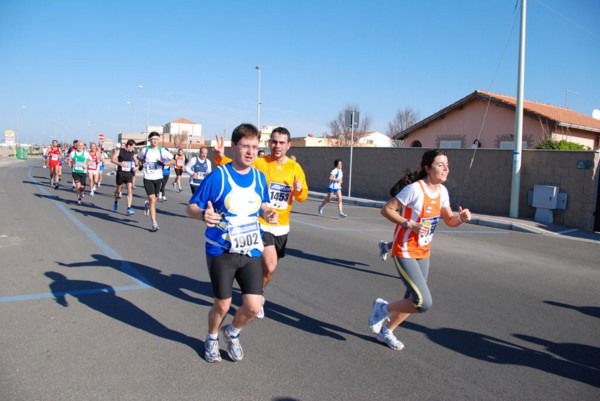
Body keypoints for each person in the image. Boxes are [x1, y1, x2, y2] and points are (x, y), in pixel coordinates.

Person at [187, 123, 277, 363]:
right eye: (245, 146)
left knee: (253, 306)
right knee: (223, 305)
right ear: (234, 147)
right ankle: (212, 336)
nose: (250, 152)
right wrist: (202, 215)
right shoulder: (219, 176)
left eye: (255, 147)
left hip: (250, 250)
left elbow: (262, 204)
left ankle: (232, 332)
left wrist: (267, 213)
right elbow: (192, 206)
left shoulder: (259, 177)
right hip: (221, 250)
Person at [368, 149, 472, 350]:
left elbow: (450, 219)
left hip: (423, 252)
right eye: (440, 164)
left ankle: (386, 331)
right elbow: (386, 209)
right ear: (427, 168)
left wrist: (461, 218)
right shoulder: (415, 189)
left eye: (447, 165)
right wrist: (410, 224)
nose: (445, 168)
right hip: (404, 250)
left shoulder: (442, 192)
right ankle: (382, 308)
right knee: (423, 302)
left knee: (411, 299)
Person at [213, 127, 308, 319]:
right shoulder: (260, 162)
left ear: (288, 145)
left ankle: (257, 292)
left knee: (270, 269)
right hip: (261, 223)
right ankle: (255, 296)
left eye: (281, 142)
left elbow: (303, 195)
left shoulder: (294, 168)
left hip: (282, 226)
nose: (277, 146)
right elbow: (237, 165)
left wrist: (298, 190)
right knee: (270, 264)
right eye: (274, 141)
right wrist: (219, 158)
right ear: (269, 143)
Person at [138, 132, 175, 231]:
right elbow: (140, 159)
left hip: (158, 178)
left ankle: (147, 205)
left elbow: (173, 160)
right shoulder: (145, 150)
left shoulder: (161, 150)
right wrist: (140, 165)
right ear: (150, 140)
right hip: (148, 178)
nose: (155, 141)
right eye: (153, 139)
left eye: (157, 139)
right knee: (153, 200)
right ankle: (154, 223)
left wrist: (164, 163)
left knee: (154, 200)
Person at [112, 139, 138, 215]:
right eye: (133, 147)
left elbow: (136, 161)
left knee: (129, 190)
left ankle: (129, 208)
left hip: (129, 173)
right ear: (128, 146)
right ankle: (116, 202)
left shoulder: (132, 153)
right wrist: (119, 163)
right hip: (121, 173)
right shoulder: (120, 151)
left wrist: (137, 166)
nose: (134, 149)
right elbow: (112, 160)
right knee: (118, 190)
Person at [69, 140, 92, 206]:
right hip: (75, 171)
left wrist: (87, 164)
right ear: (76, 146)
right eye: (78, 145)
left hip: (83, 172)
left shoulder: (86, 153)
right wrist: (69, 163)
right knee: (77, 186)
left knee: (82, 187)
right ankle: (79, 200)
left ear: (83, 147)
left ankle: (82, 191)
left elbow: (91, 160)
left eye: (81, 146)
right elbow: (69, 159)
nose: (80, 147)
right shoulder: (73, 153)